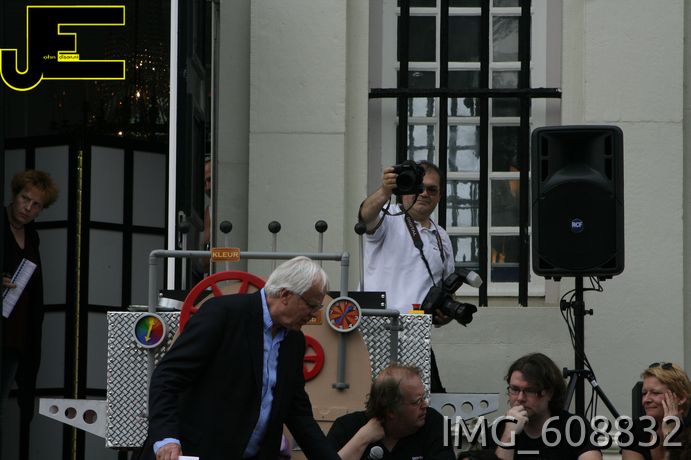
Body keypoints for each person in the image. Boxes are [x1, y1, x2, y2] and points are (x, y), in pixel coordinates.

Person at [143, 256, 340, 460]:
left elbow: (298, 413)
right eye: (311, 305)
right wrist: (166, 437)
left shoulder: (294, 341)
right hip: (193, 453)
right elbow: (168, 377)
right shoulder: (223, 314)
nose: (313, 314)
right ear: (285, 295)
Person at [358, 161, 455, 392]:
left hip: (417, 336)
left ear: (440, 196)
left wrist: (445, 313)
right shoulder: (388, 215)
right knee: (376, 403)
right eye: (418, 187)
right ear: (404, 189)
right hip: (376, 332)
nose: (424, 193)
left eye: (432, 189)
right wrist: (385, 190)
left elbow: (448, 288)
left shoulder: (442, 236)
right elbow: (364, 217)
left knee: (424, 405)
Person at [1, 170, 58, 441]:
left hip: (16, 334)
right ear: (15, 195)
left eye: (36, 205)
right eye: (25, 199)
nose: (28, 208)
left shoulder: (32, 236)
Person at [327, 364, 455, 460]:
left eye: (424, 397)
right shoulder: (347, 428)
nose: (425, 405)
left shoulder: (434, 423)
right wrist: (362, 439)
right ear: (391, 411)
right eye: (417, 401)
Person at [492, 353, 602, 460]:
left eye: (530, 390)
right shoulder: (498, 431)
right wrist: (509, 435)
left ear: (550, 393)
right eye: (515, 389)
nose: (520, 398)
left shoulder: (574, 427)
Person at [621, 362, 690, 460]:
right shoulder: (634, 430)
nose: (646, 400)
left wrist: (671, 437)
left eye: (655, 393)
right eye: (644, 393)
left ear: (681, 398)